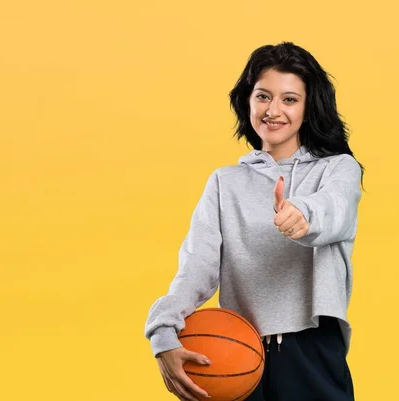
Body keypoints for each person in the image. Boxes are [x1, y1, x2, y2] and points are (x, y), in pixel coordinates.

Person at [144, 41, 365, 401]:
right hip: (234, 350)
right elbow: (197, 267)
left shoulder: (338, 169)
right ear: (247, 101)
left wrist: (302, 215)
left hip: (310, 351)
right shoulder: (224, 182)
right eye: (263, 96)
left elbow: (334, 208)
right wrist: (162, 330)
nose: (273, 110)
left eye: (289, 99)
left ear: (309, 108)